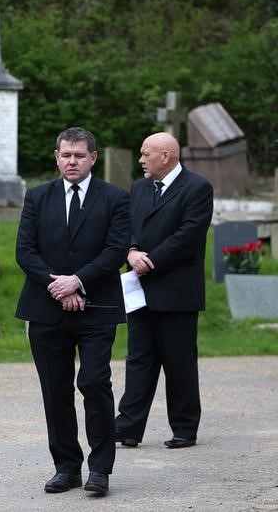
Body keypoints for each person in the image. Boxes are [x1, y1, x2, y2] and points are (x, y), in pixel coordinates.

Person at [15, 127, 130, 495]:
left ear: (93, 158)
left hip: (96, 308)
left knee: (94, 383)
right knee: (56, 390)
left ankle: (100, 470)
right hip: (47, 309)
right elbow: (25, 252)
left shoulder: (115, 198)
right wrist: (58, 286)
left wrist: (78, 281)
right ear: (56, 156)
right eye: (66, 155)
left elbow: (115, 250)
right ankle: (66, 467)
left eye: (79, 155)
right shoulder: (37, 197)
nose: (72, 162)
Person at [114, 132, 213, 449]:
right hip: (140, 289)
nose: (141, 160)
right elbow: (127, 226)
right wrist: (130, 251)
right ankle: (128, 427)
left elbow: (189, 236)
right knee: (139, 359)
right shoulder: (139, 187)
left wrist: (152, 261)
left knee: (179, 361)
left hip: (176, 291)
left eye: (146, 154)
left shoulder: (197, 188)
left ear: (166, 156)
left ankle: (184, 428)